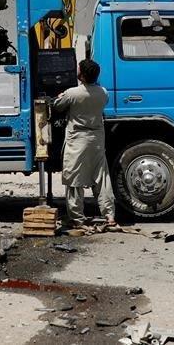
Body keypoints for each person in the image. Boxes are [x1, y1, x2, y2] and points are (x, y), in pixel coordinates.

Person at [53, 58, 116, 227]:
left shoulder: (72, 93)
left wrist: (59, 96)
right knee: (102, 178)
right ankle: (109, 216)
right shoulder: (103, 92)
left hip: (77, 141)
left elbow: (57, 106)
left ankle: (77, 218)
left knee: (75, 180)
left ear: (81, 74)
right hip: (96, 140)